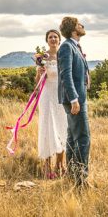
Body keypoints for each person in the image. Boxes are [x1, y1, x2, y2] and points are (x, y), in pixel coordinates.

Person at [57, 16, 91, 188]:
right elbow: (66, 75)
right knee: (83, 138)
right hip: (74, 100)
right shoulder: (66, 47)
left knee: (72, 138)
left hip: (78, 97)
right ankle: (81, 180)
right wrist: (74, 99)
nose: (82, 26)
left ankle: (72, 176)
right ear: (73, 29)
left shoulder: (74, 46)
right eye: (79, 24)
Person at [35, 29, 68, 179]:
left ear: (59, 39)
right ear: (46, 40)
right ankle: (47, 165)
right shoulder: (43, 57)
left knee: (62, 128)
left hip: (61, 96)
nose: (53, 39)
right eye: (50, 37)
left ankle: (60, 165)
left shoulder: (64, 55)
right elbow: (37, 81)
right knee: (48, 128)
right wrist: (40, 72)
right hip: (47, 96)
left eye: (55, 37)